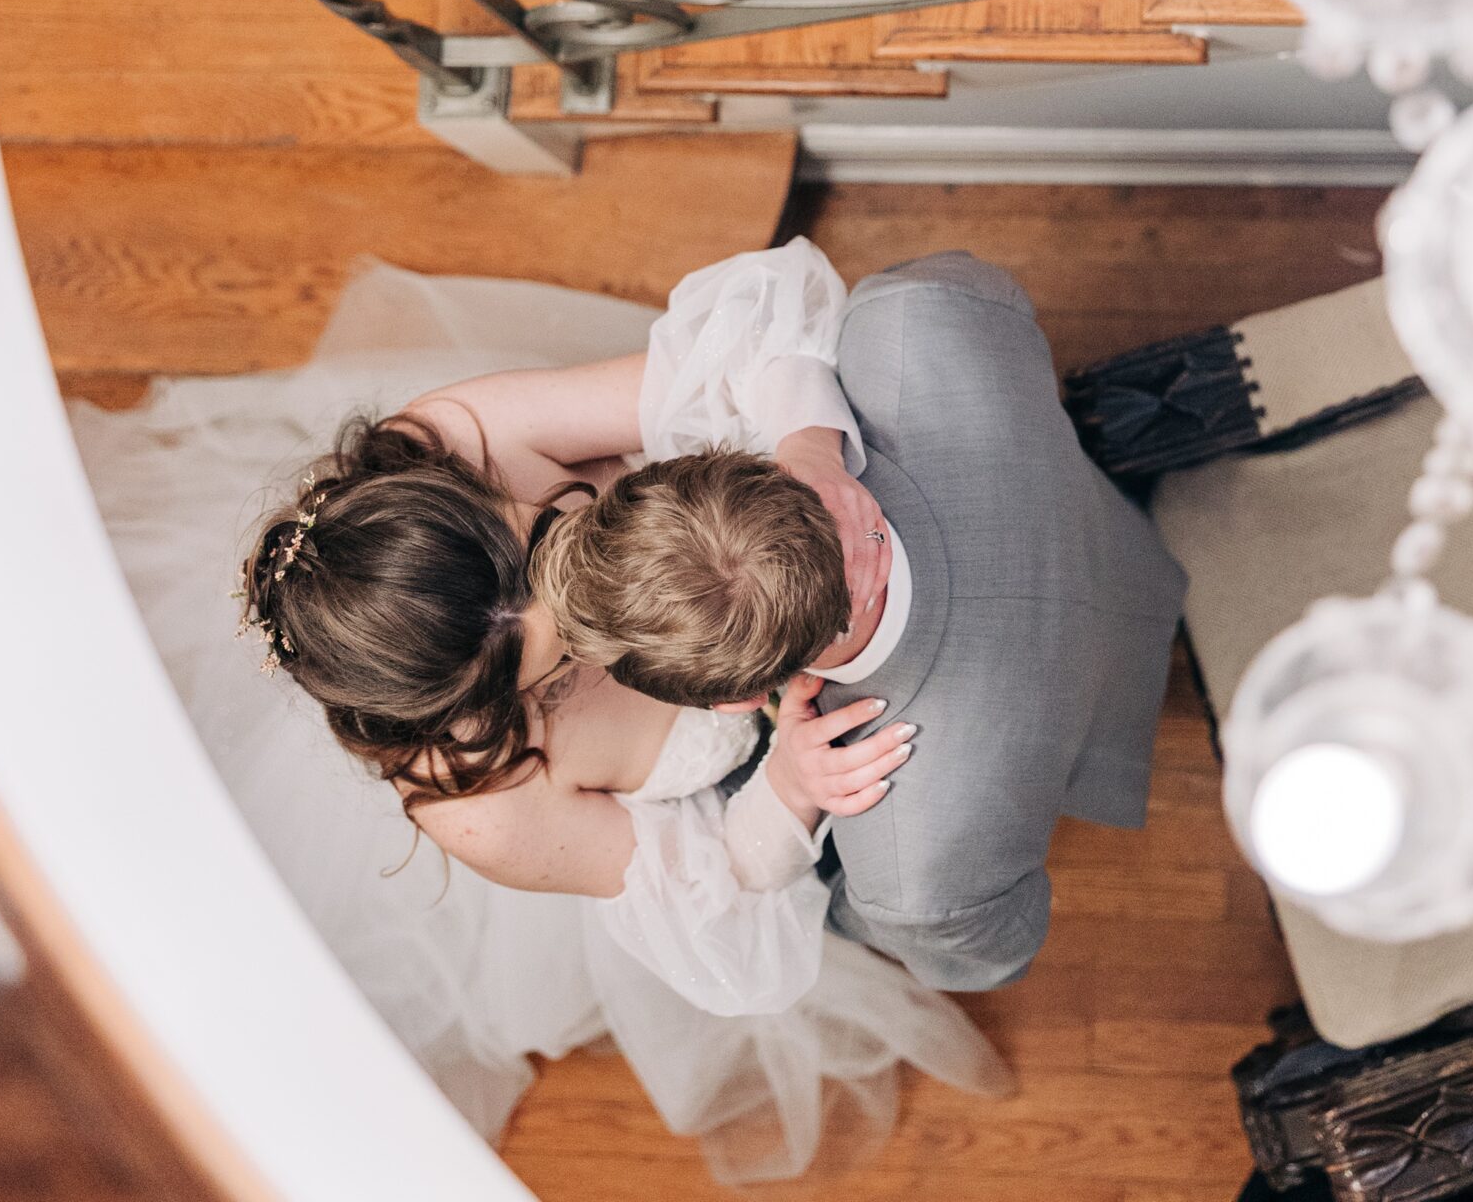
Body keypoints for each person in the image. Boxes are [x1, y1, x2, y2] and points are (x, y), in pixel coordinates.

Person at [70, 241, 1006, 1182]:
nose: (591, 609)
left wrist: (807, 456)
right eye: (573, 649)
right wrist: (792, 785)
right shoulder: (481, 801)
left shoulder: (460, 439)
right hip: (779, 770)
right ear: (478, 705)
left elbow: (737, 363)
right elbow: (716, 877)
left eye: (558, 539)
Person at [542, 251, 1190, 992]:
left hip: (1082, 733)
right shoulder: (916, 313)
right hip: (1098, 532)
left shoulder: (913, 873)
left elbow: (995, 959)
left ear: (734, 701)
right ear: (736, 464)